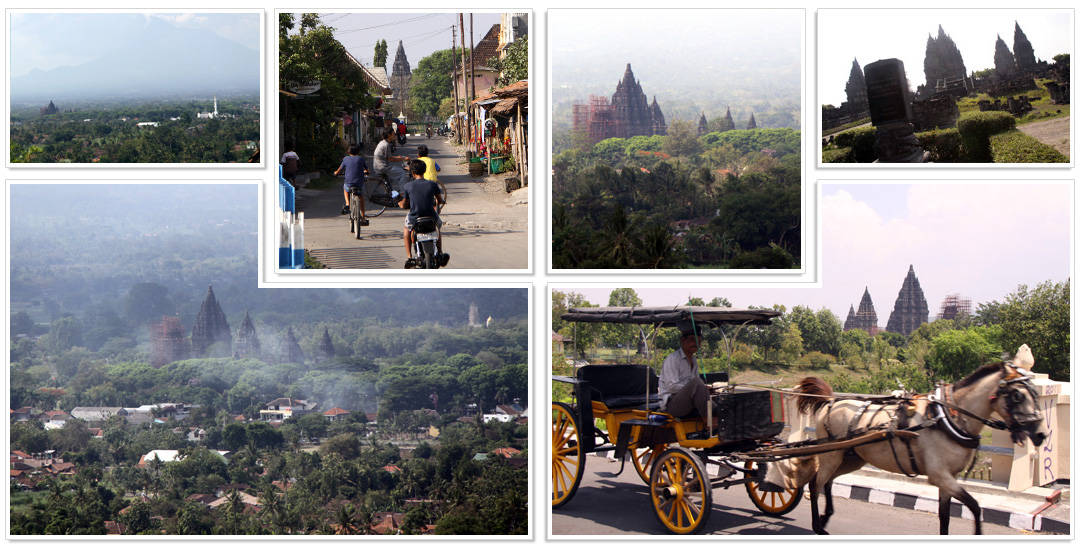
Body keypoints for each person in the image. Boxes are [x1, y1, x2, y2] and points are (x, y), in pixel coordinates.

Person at [398, 159, 447, 268]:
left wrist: (400, 204)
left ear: (412, 173)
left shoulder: (408, 186)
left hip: (415, 218)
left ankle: (409, 257)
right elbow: (439, 199)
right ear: (424, 171)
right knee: (438, 228)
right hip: (431, 217)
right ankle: (440, 252)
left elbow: (405, 204)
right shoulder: (433, 184)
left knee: (406, 231)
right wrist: (441, 201)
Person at [658, 324, 711, 421]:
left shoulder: (693, 360)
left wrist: (702, 389)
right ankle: (710, 424)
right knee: (697, 383)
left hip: (688, 401)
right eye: (692, 340)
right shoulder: (673, 359)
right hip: (671, 404)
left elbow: (694, 385)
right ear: (683, 340)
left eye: (699, 341)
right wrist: (694, 388)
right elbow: (671, 386)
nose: (696, 344)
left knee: (721, 401)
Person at [334, 144, 369, 219]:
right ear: (358, 151)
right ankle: (363, 217)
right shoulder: (361, 159)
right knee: (361, 197)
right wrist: (365, 172)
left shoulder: (345, 159)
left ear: (348, 151)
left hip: (349, 183)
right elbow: (367, 170)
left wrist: (336, 173)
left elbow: (339, 169)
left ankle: (347, 203)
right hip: (359, 183)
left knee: (345, 188)